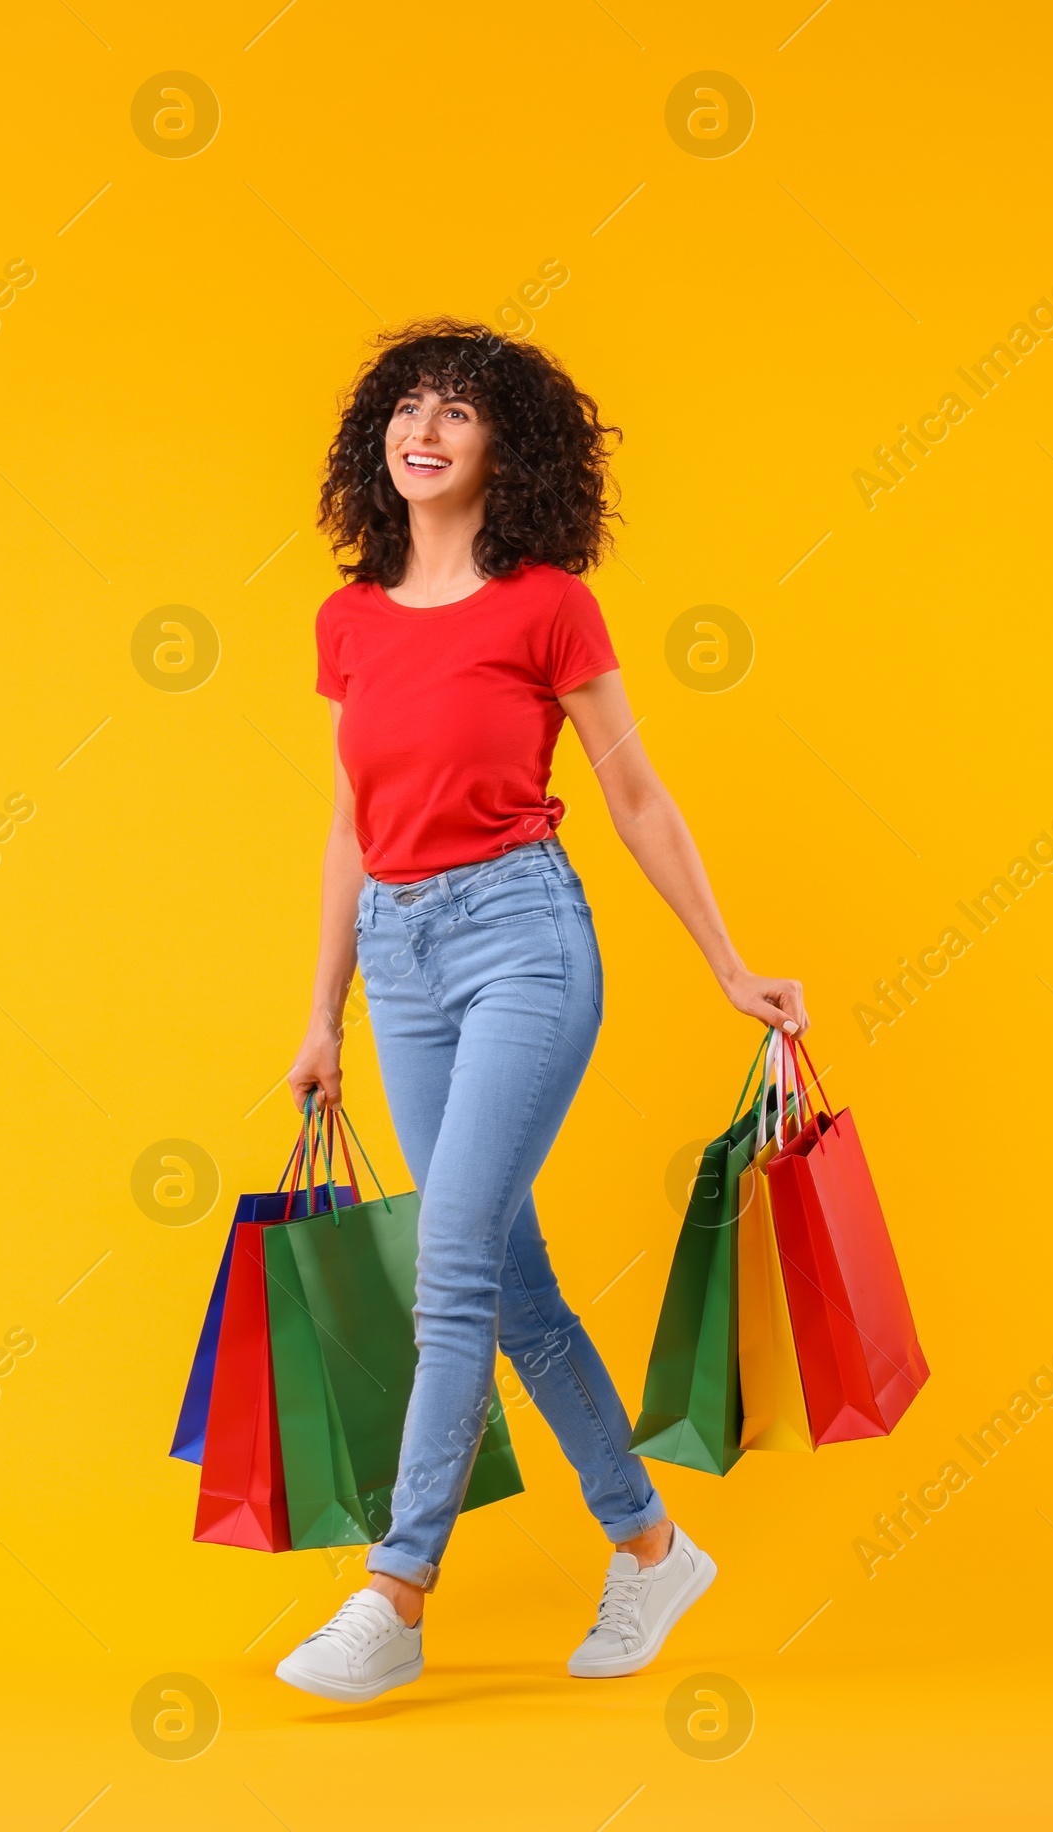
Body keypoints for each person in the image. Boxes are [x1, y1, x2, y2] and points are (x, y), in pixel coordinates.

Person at [276, 320, 807, 1704]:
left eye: (458, 411)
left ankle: (396, 1592)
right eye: (404, 406)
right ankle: (650, 1545)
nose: (425, 428)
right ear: (374, 442)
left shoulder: (548, 603)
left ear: (507, 448)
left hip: (523, 938)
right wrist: (322, 1014)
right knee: (509, 1285)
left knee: (450, 1264)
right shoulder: (349, 617)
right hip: (398, 959)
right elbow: (348, 823)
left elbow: (635, 792)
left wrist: (727, 963)